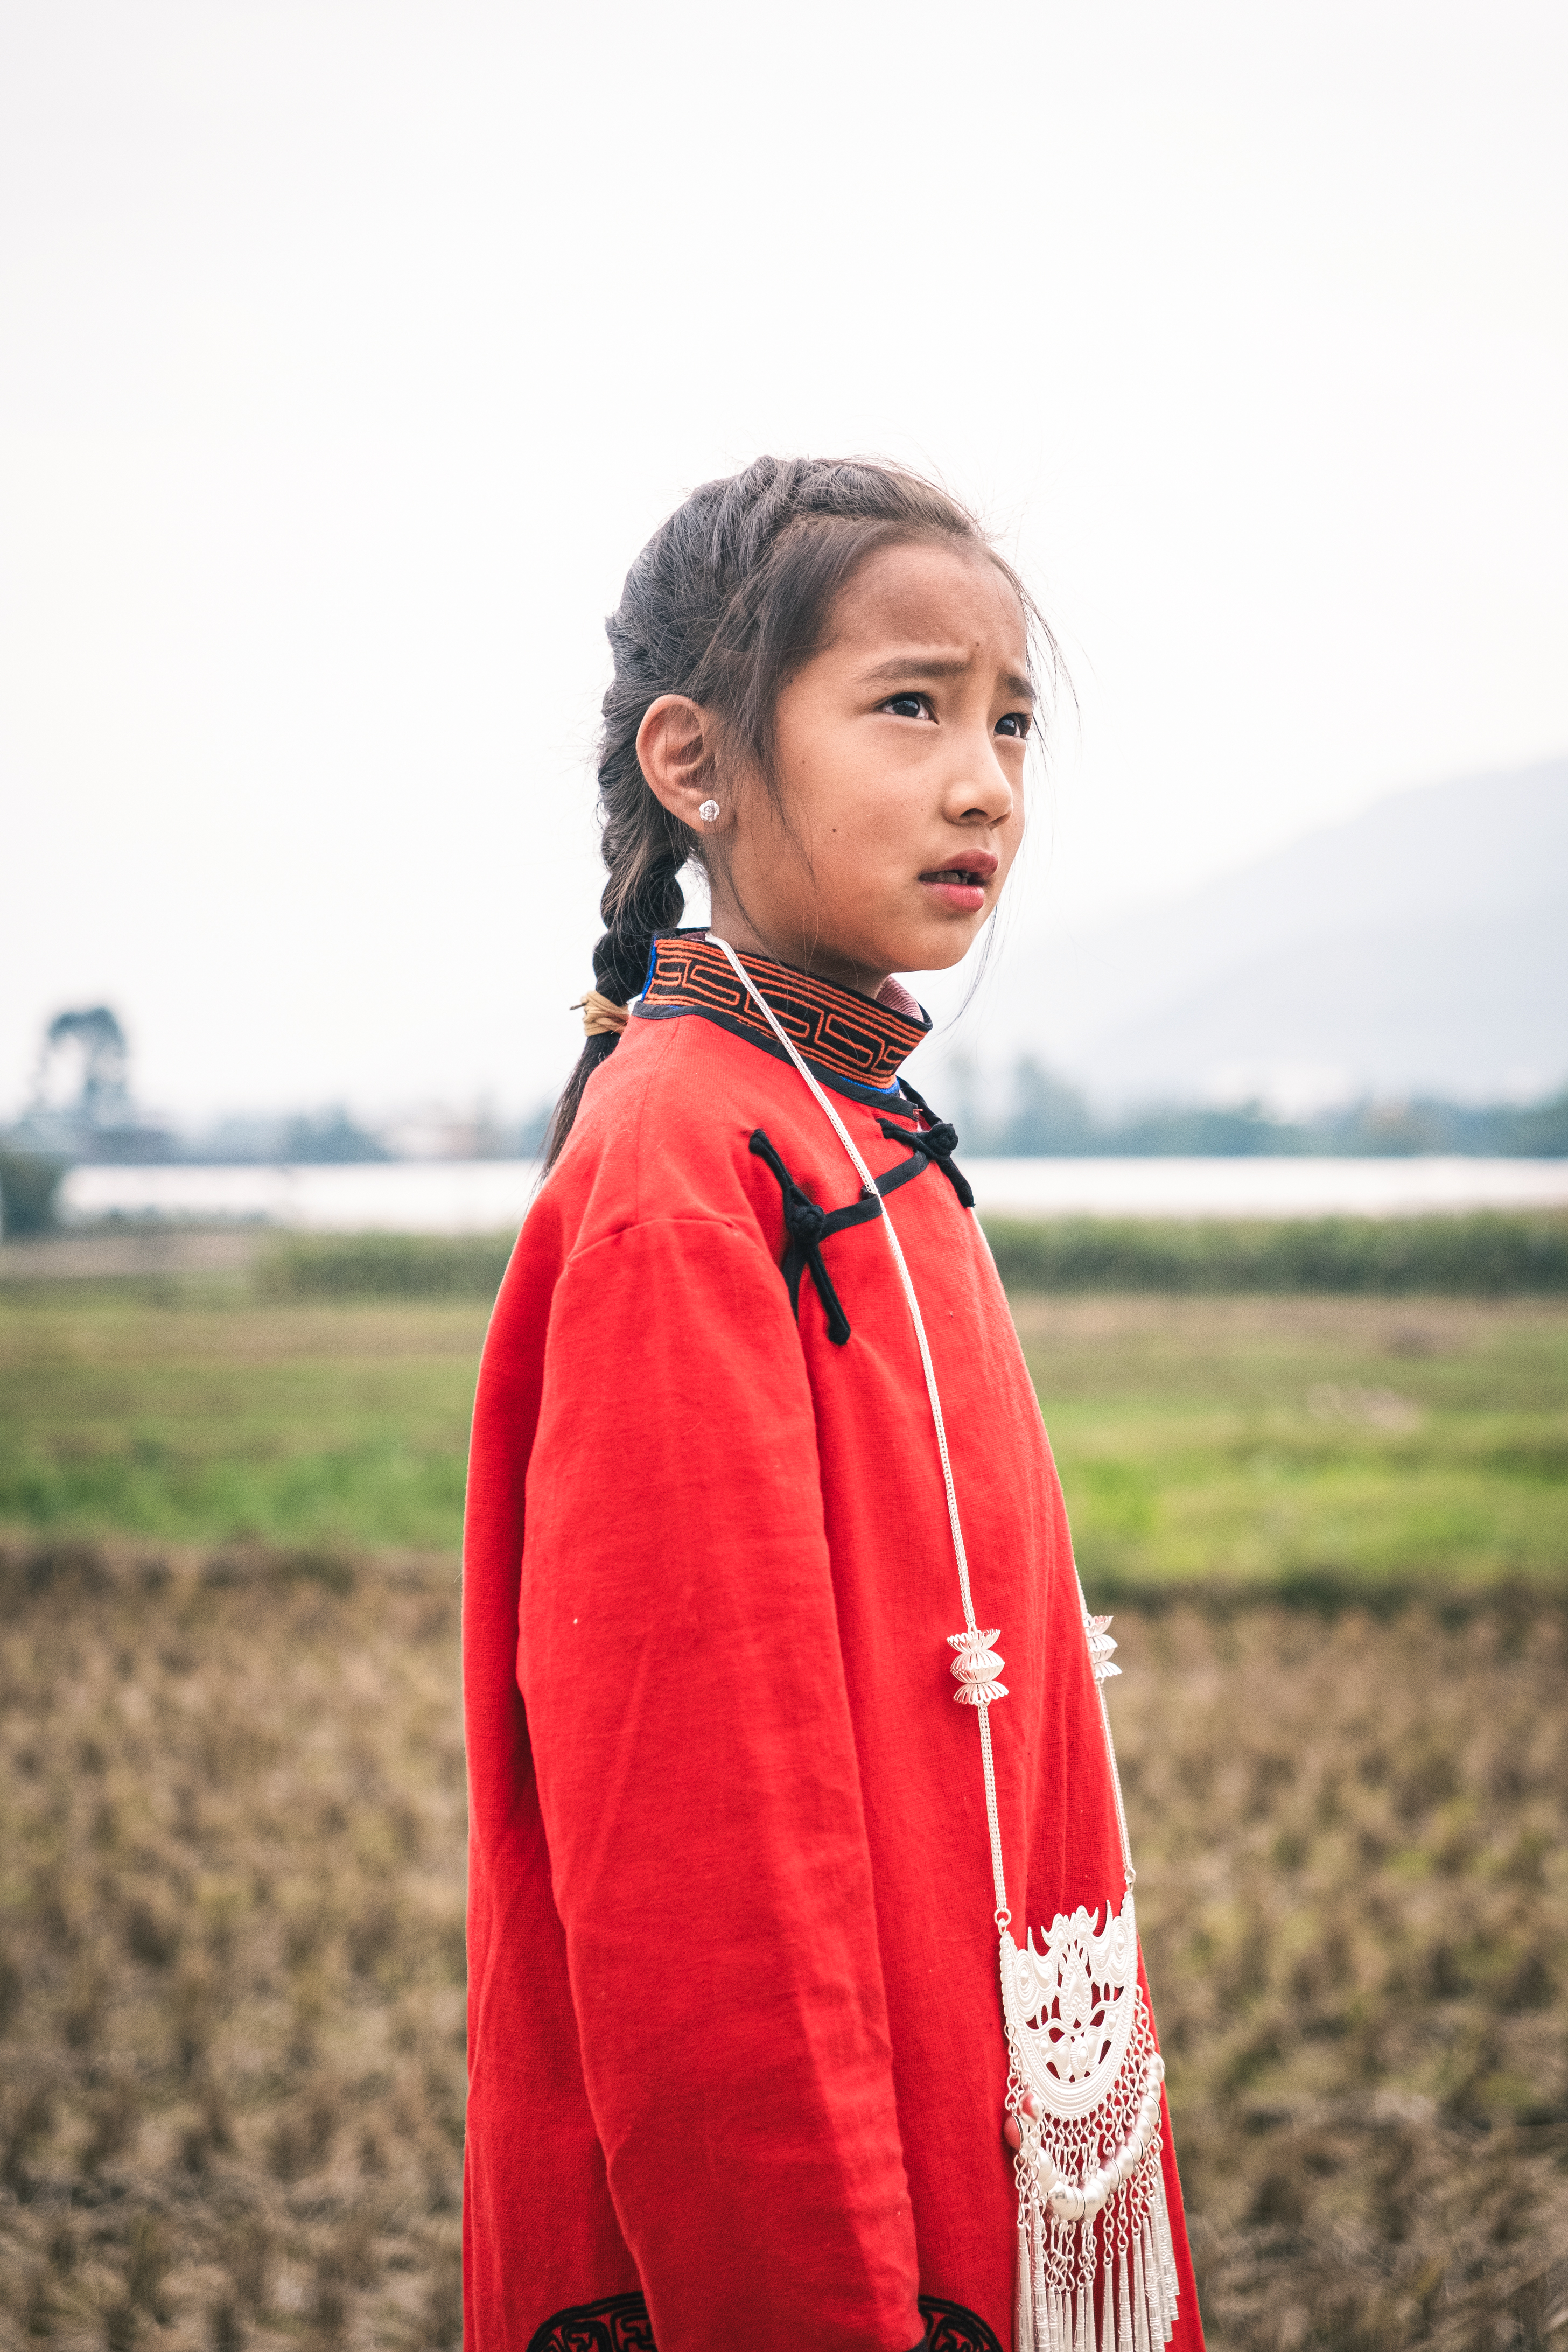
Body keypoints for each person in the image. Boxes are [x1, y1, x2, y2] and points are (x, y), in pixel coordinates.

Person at [463, 456, 1205, 2352]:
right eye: (910, 706)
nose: (987, 784)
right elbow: (704, 1872)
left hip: (983, 2153)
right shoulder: (685, 1172)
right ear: (694, 763)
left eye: (1012, 721)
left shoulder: (854, 1119)